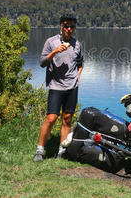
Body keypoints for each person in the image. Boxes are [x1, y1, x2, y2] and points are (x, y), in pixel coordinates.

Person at [34, 14, 84, 162]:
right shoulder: (51, 42)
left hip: (72, 87)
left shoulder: (77, 44)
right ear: (61, 26)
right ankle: (40, 150)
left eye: (72, 27)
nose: (69, 29)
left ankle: (62, 152)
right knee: (51, 118)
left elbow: (80, 63)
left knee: (67, 119)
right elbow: (42, 62)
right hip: (56, 86)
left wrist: (77, 77)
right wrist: (55, 51)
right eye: (66, 26)